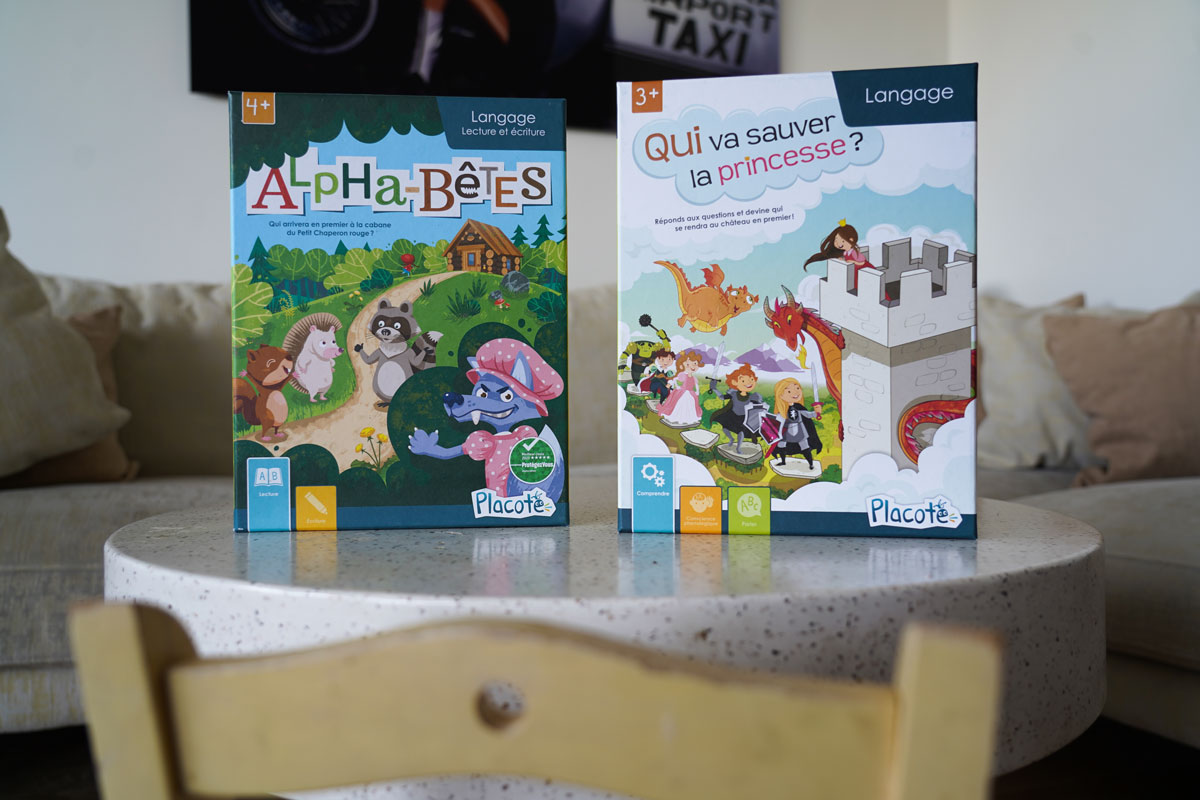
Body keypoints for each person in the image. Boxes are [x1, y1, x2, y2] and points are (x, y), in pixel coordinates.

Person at [803, 220, 890, 298]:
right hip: (854, 273)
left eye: (842, 241)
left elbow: (862, 262)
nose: (838, 243)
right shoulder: (846, 253)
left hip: (862, 270)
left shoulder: (854, 252)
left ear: (851, 240)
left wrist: (853, 262)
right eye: (836, 240)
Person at [767, 378, 822, 468]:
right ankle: (783, 461)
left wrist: (817, 412)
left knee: (805, 446)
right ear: (780, 395)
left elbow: (808, 415)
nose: (795, 393)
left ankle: (811, 464)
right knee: (781, 445)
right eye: (789, 391)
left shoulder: (799, 408)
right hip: (786, 431)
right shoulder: (781, 411)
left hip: (800, 430)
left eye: (797, 388)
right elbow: (776, 422)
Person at [712, 364, 767, 447]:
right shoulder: (733, 394)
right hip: (732, 416)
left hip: (744, 419)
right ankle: (731, 439)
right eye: (743, 381)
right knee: (725, 427)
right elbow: (722, 397)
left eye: (752, 379)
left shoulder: (753, 397)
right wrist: (714, 388)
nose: (749, 383)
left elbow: (759, 410)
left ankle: (738, 447)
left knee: (741, 432)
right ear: (734, 382)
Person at [657, 351, 704, 426]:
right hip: (682, 392)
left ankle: (688, 418)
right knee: (680, 404)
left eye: (695, 364)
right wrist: (677, 386)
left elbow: (696, 385)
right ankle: (677, 417)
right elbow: (675, 379)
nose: (692, 366)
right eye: (688, 364)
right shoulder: (683, 374)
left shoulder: (694, 378)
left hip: (691, 393)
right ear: (683, 366)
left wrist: (697, 391)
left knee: (690, 405)